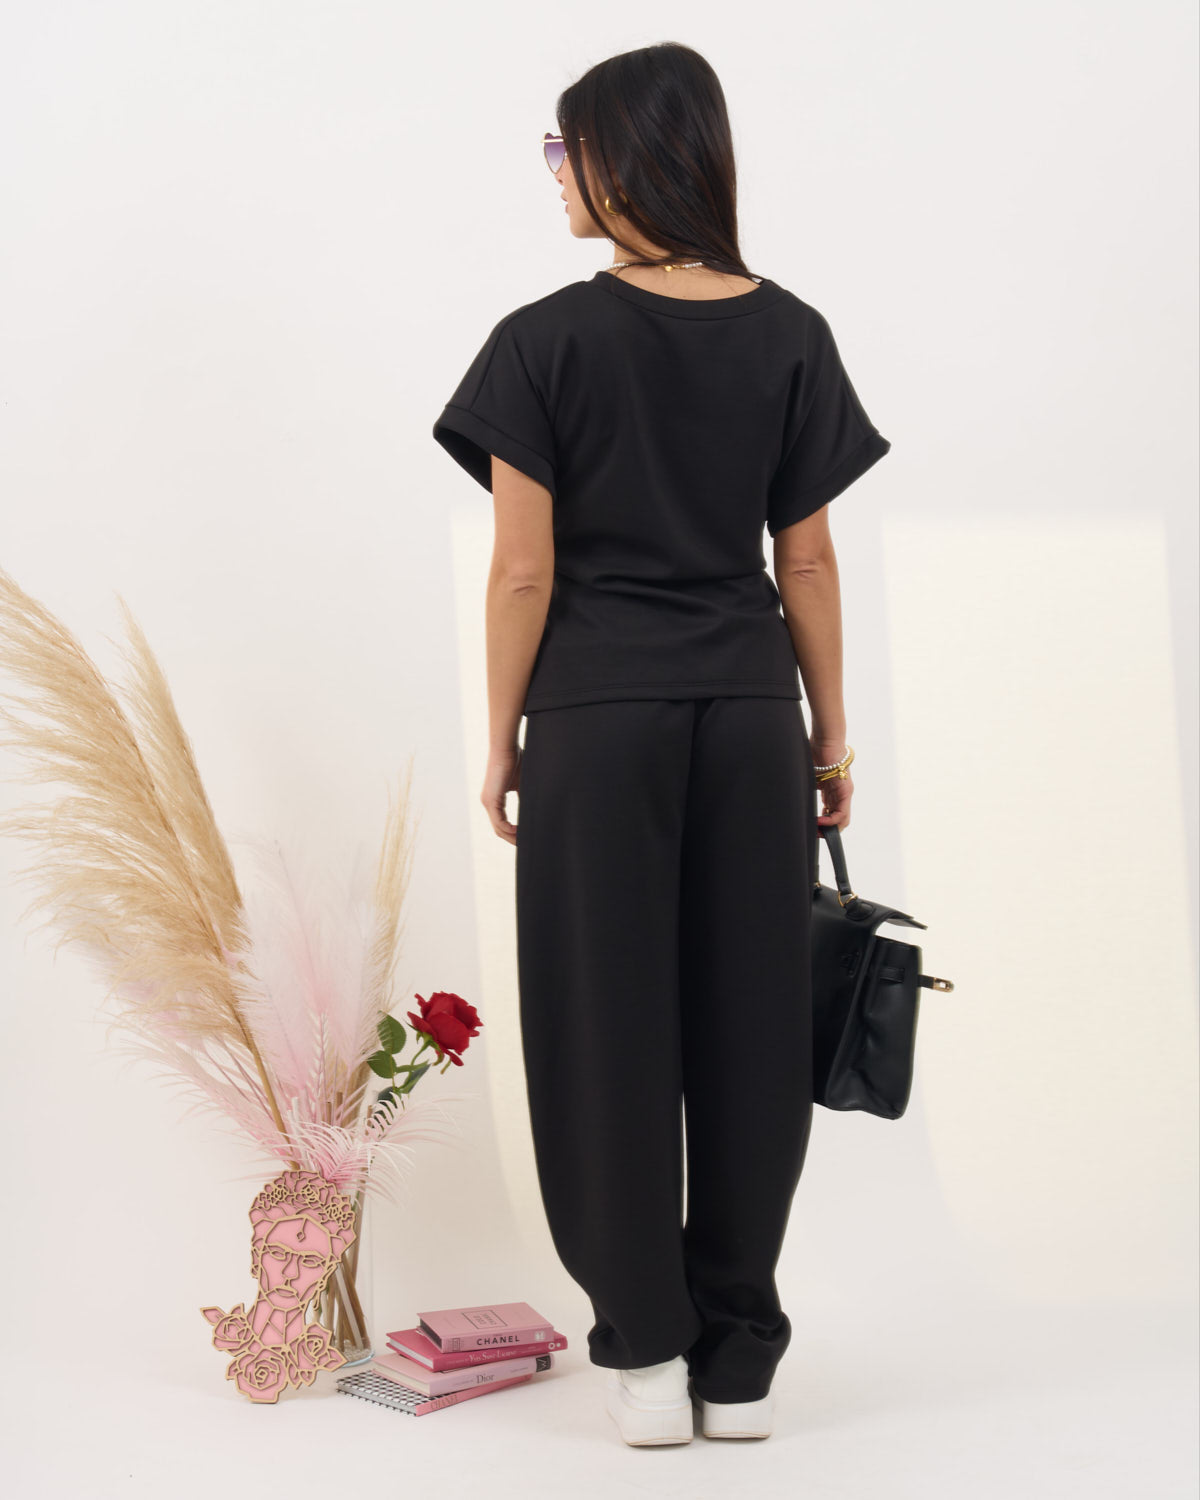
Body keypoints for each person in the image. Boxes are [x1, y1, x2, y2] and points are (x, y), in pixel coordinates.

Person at [431, 41, 890, 1448]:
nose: (557, 178)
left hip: (598, 722)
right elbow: (805, 562)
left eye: (565, 151)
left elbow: (523, 574)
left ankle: (644, 1358)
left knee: (603, 1028)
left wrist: (502, 736)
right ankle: (737, 1366)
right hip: (751, 720)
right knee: (751, 1024)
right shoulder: (793, 333)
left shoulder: (541, 344)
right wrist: (826, 736)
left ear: (628, 159)